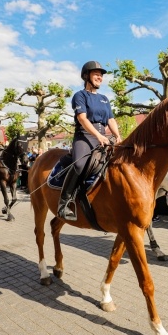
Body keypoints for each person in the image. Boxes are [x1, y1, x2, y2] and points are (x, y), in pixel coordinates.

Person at [57, 61, 121, 221]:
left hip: (104, 136)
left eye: (101, 75)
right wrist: (99, 136)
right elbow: (82, 118)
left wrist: (118, 136)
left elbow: (111, 120)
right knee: (79, 164)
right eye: (96, 74)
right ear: (86, 76)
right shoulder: (80, 96)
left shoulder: (104, 99)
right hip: (84, 135)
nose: (100, 77)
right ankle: (64, 202)